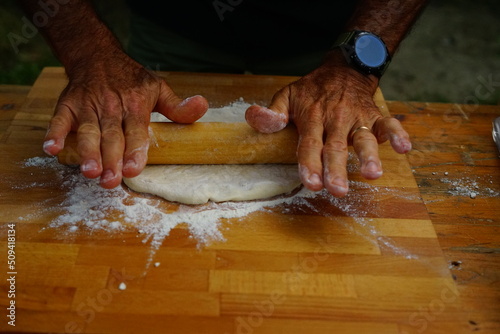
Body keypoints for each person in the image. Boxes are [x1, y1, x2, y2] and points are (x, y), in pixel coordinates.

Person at [18, 0, 427, 197]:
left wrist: (353, 67)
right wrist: (90, 54)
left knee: (330, 117)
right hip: (177, 20)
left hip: (332, 30)